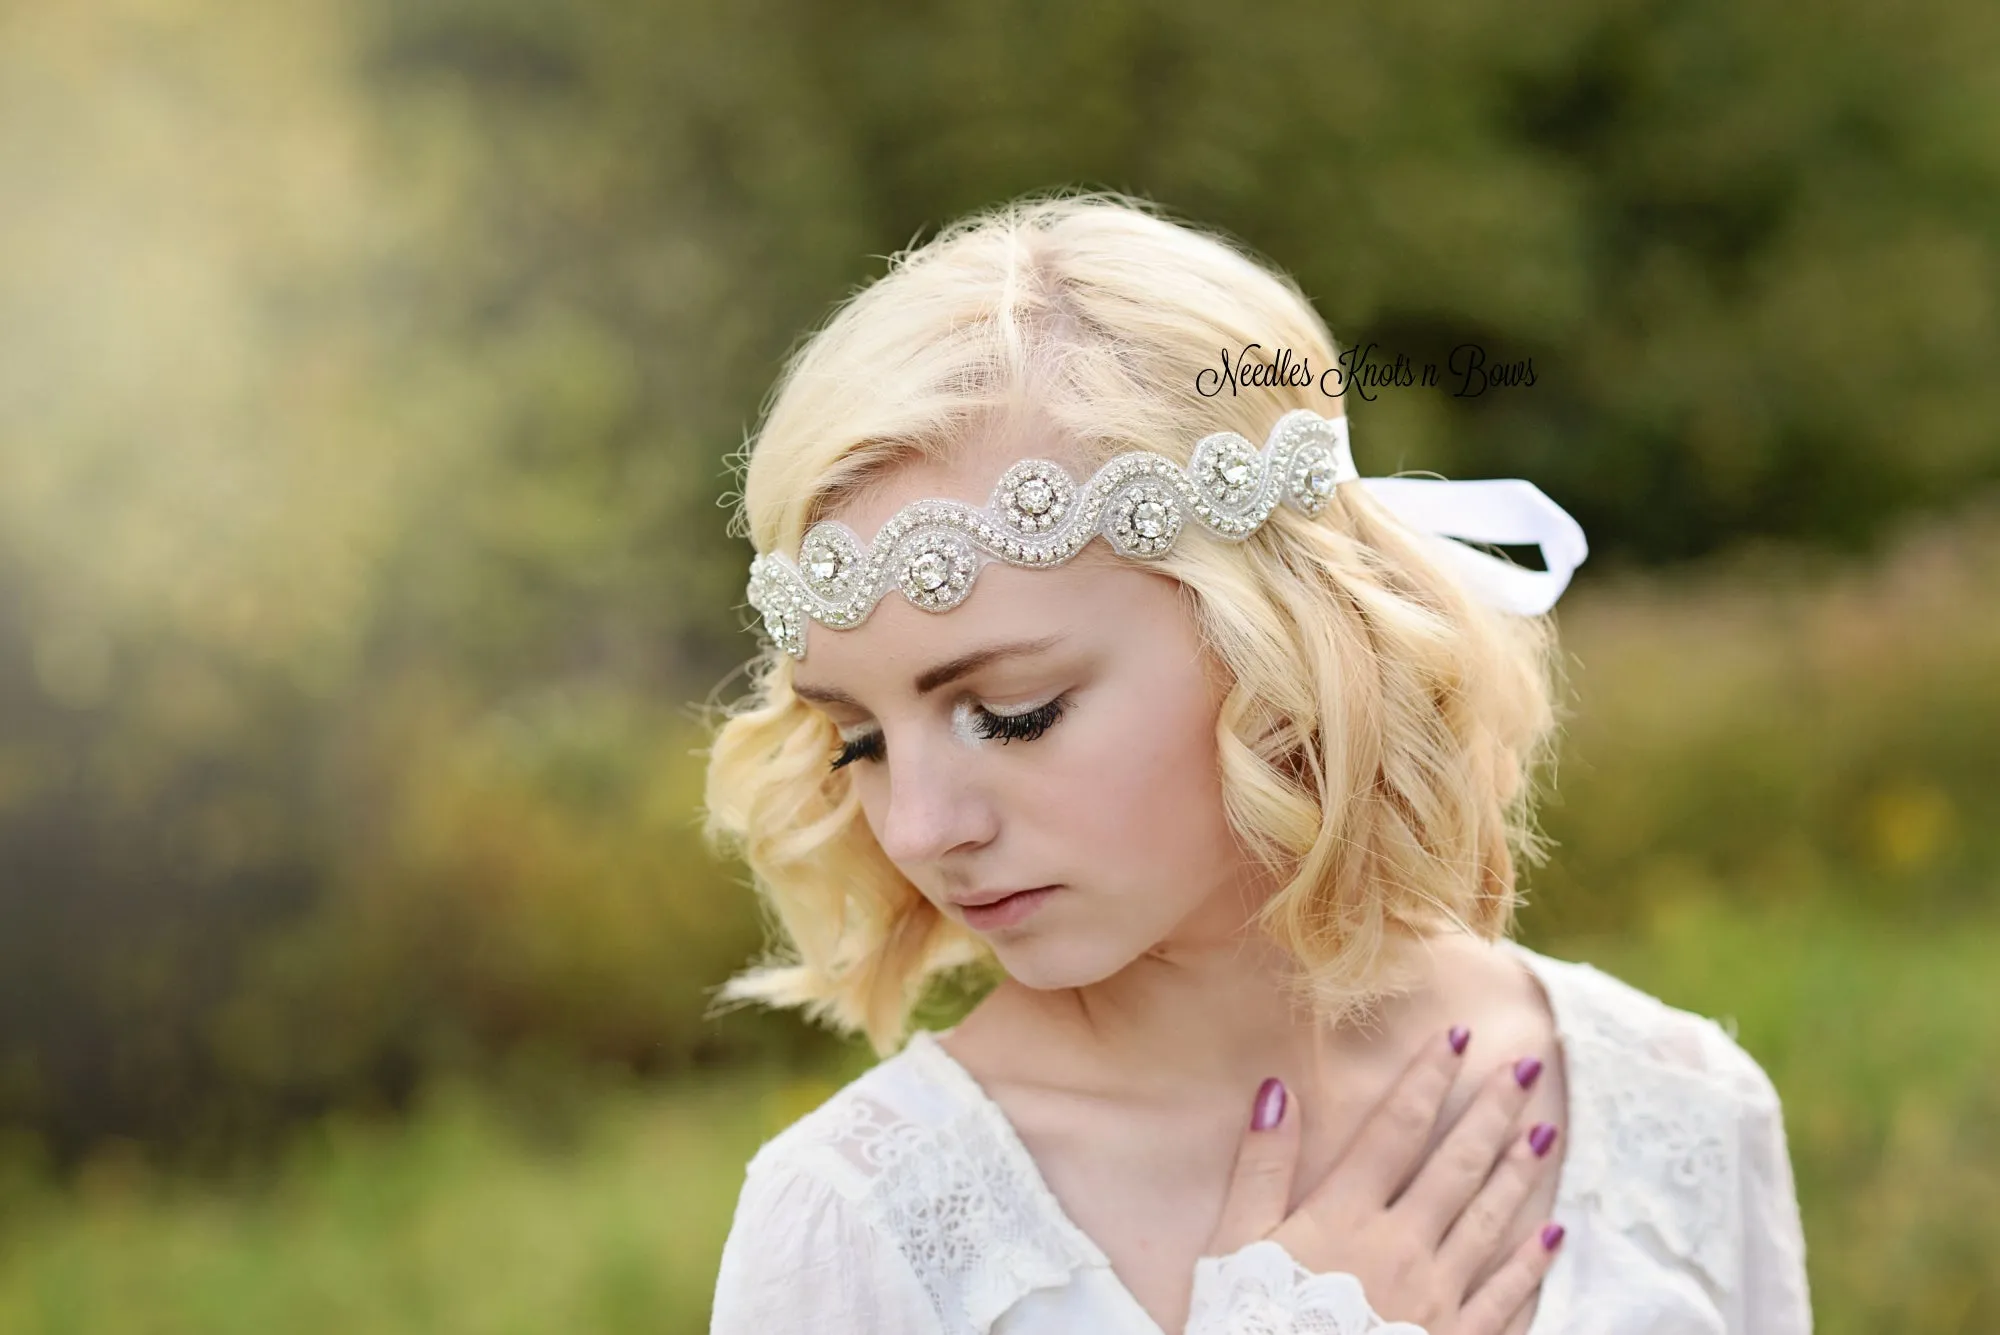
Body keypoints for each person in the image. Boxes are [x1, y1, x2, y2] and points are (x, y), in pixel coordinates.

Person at [699, 191, 1812, 1334]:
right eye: (861, 742)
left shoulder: (1678, 1115)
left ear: (1275, 640)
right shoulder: (860, 1228)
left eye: (1012, 712)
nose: (921, 827)